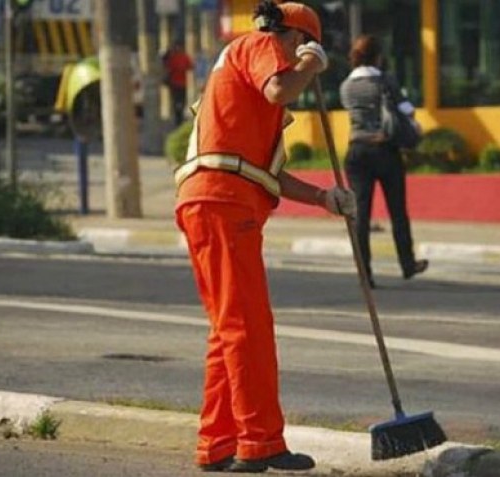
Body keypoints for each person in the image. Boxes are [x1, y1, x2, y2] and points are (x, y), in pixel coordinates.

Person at [173, 1, 356, 473]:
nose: (300, 58)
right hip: (223, 203)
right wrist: (311, 65)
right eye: (303, 46)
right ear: (293, 37)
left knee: (228, 329)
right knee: (248, 327)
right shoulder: (259, 46)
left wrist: (323, 197)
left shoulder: (240, 78)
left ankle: (217, 444)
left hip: (212, 199)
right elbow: (280, 89)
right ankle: (259, 442)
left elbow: (266, 173)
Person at [339, 34, 428, 289]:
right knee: (397, 210)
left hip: (356, 151)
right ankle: (407, 263)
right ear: (378, 56)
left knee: (360, 216)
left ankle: (364, 273)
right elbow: (407, 110)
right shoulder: (386, 80)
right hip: (385, 150)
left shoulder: (346, 85)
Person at [162, 41, 193, 126]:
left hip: (179, 84)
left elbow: (190, 66)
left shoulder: (178, 57)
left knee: (179, 102)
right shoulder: (176, 57)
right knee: (178, 102)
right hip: (177, 84)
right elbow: (190, 66)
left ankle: (179, 117)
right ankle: (178, 117)